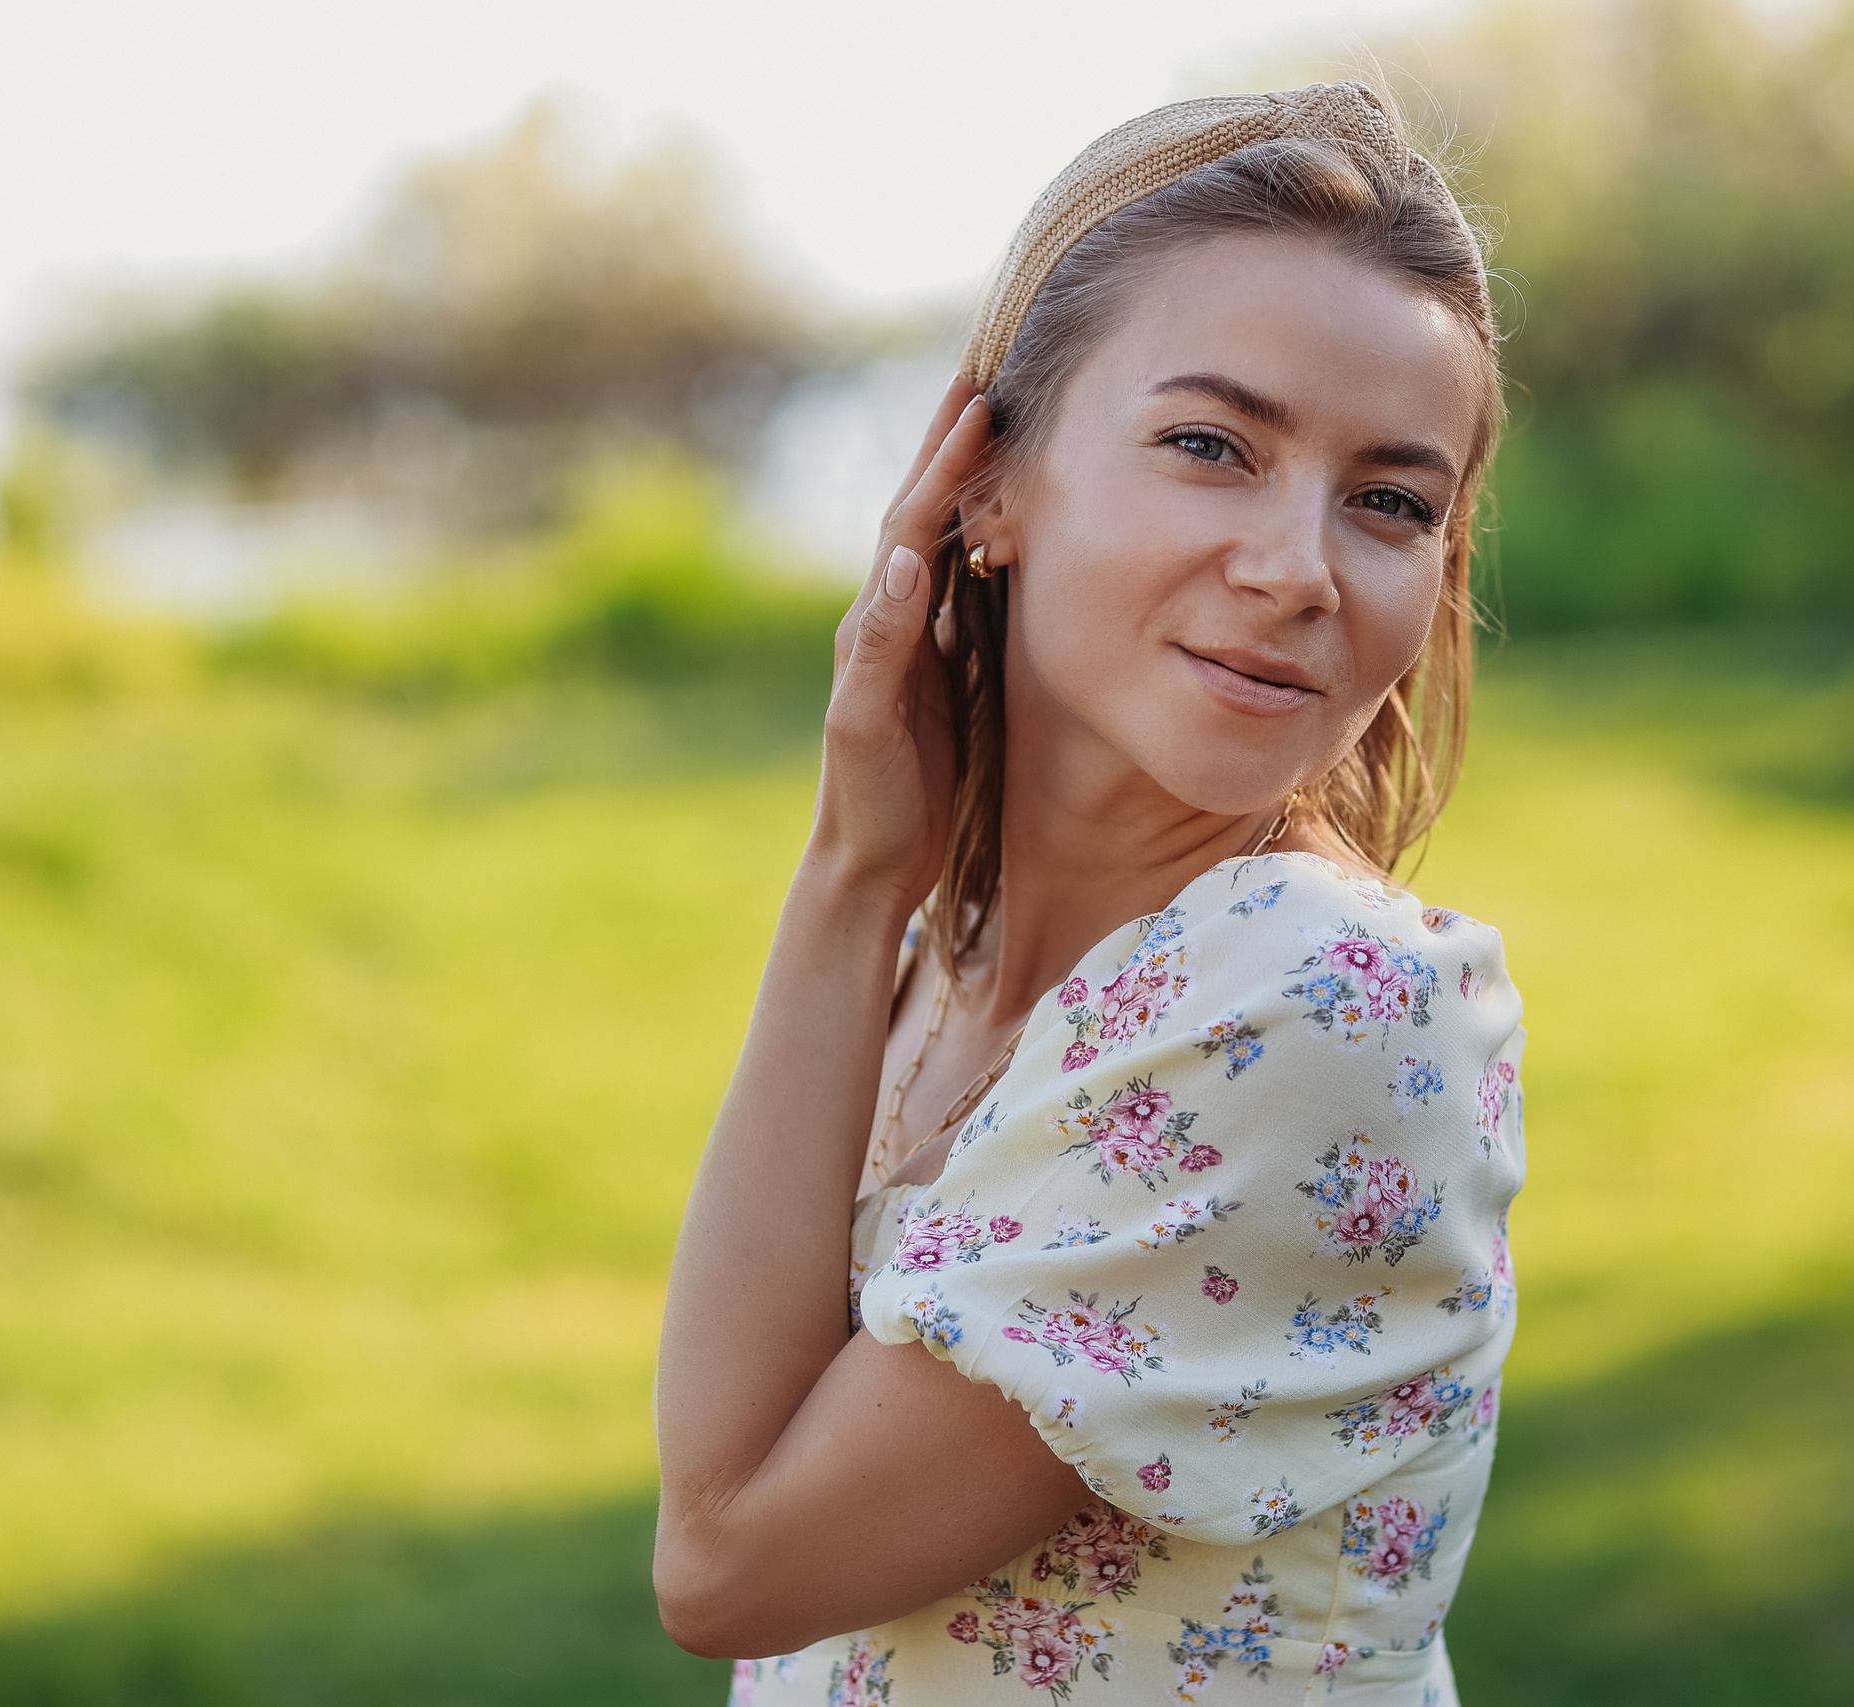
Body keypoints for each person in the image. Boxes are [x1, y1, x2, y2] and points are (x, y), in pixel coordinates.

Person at [652, 81, 1527, 1704]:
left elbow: (726, 1563)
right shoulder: (946, 958)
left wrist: (846, 878)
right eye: (1212, 446)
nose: (1297, 568)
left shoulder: (1314, 995)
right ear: (985, 478)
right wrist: (864, 891)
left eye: (1390, 499)